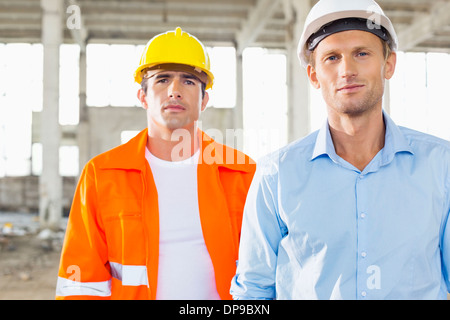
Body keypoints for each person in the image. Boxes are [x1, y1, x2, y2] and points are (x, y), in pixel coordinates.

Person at [231, 0, 450, 300]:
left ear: (389, 64)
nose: (346, 70)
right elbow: (253, 291)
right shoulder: (276, 175)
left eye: (362, 53)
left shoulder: (441, 166)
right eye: (332, 58)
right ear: (313, 75)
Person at [56, 27, 255, 300]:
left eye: (188, 81)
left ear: (204, 99)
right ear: (143, 97)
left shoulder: (243, 174)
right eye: (162, 79)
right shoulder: (102, 175)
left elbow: (266, 273)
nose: (174, 91)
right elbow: (81, 283)